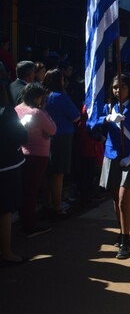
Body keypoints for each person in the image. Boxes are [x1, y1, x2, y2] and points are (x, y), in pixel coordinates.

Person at [95, 74, 130, 259]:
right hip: (111, 157)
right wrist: (107, 119)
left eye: (122, 87)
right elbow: (89, 124)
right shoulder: (107, 108)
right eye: (115, 87)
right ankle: (121, 231)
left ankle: (126, 242)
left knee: (123, 200)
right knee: (114, 200)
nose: (118, 91)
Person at [15, 82, 56, 237]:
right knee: (31, 191)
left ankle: (25, 221)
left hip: (22, 153)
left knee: (25, 189)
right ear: (38, 97)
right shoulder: (37, 112)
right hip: (37, 154)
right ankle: (29, 225)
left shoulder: (16, 109)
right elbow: (52, 128)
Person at [43, 68, 80, 219]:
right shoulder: (60, 96)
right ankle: (57, 206)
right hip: (62, 136)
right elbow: (76, 116)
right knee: (59, 173)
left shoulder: (44, 96)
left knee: (48, 173)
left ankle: (48, 203)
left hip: (45, 136)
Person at [0, 82, 28, 266]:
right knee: (4, 211)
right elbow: (21, 136)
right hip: (6, 166)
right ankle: (7, 252)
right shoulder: (6, 112)